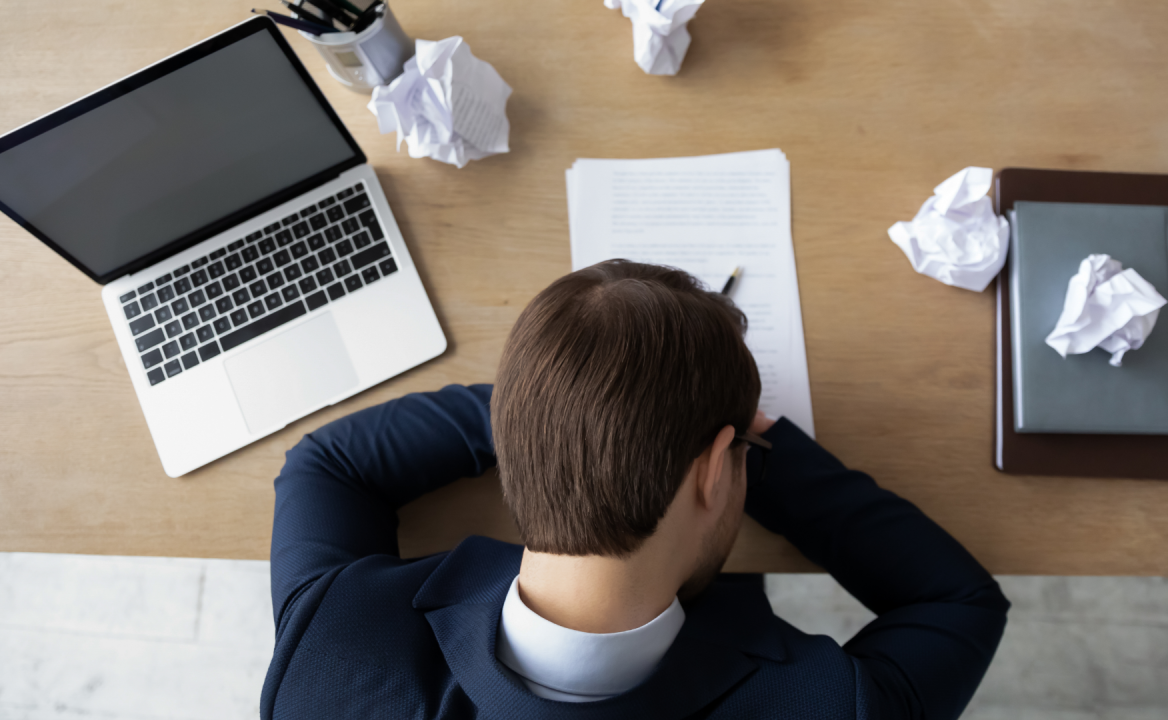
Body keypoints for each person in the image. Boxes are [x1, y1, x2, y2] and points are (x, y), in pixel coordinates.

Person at [260, 260, 1009, 719]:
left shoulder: (330, 648)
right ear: (717, 470)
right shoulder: (834, 707)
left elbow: (328, 464)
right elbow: (957, 602)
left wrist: (559, 409)